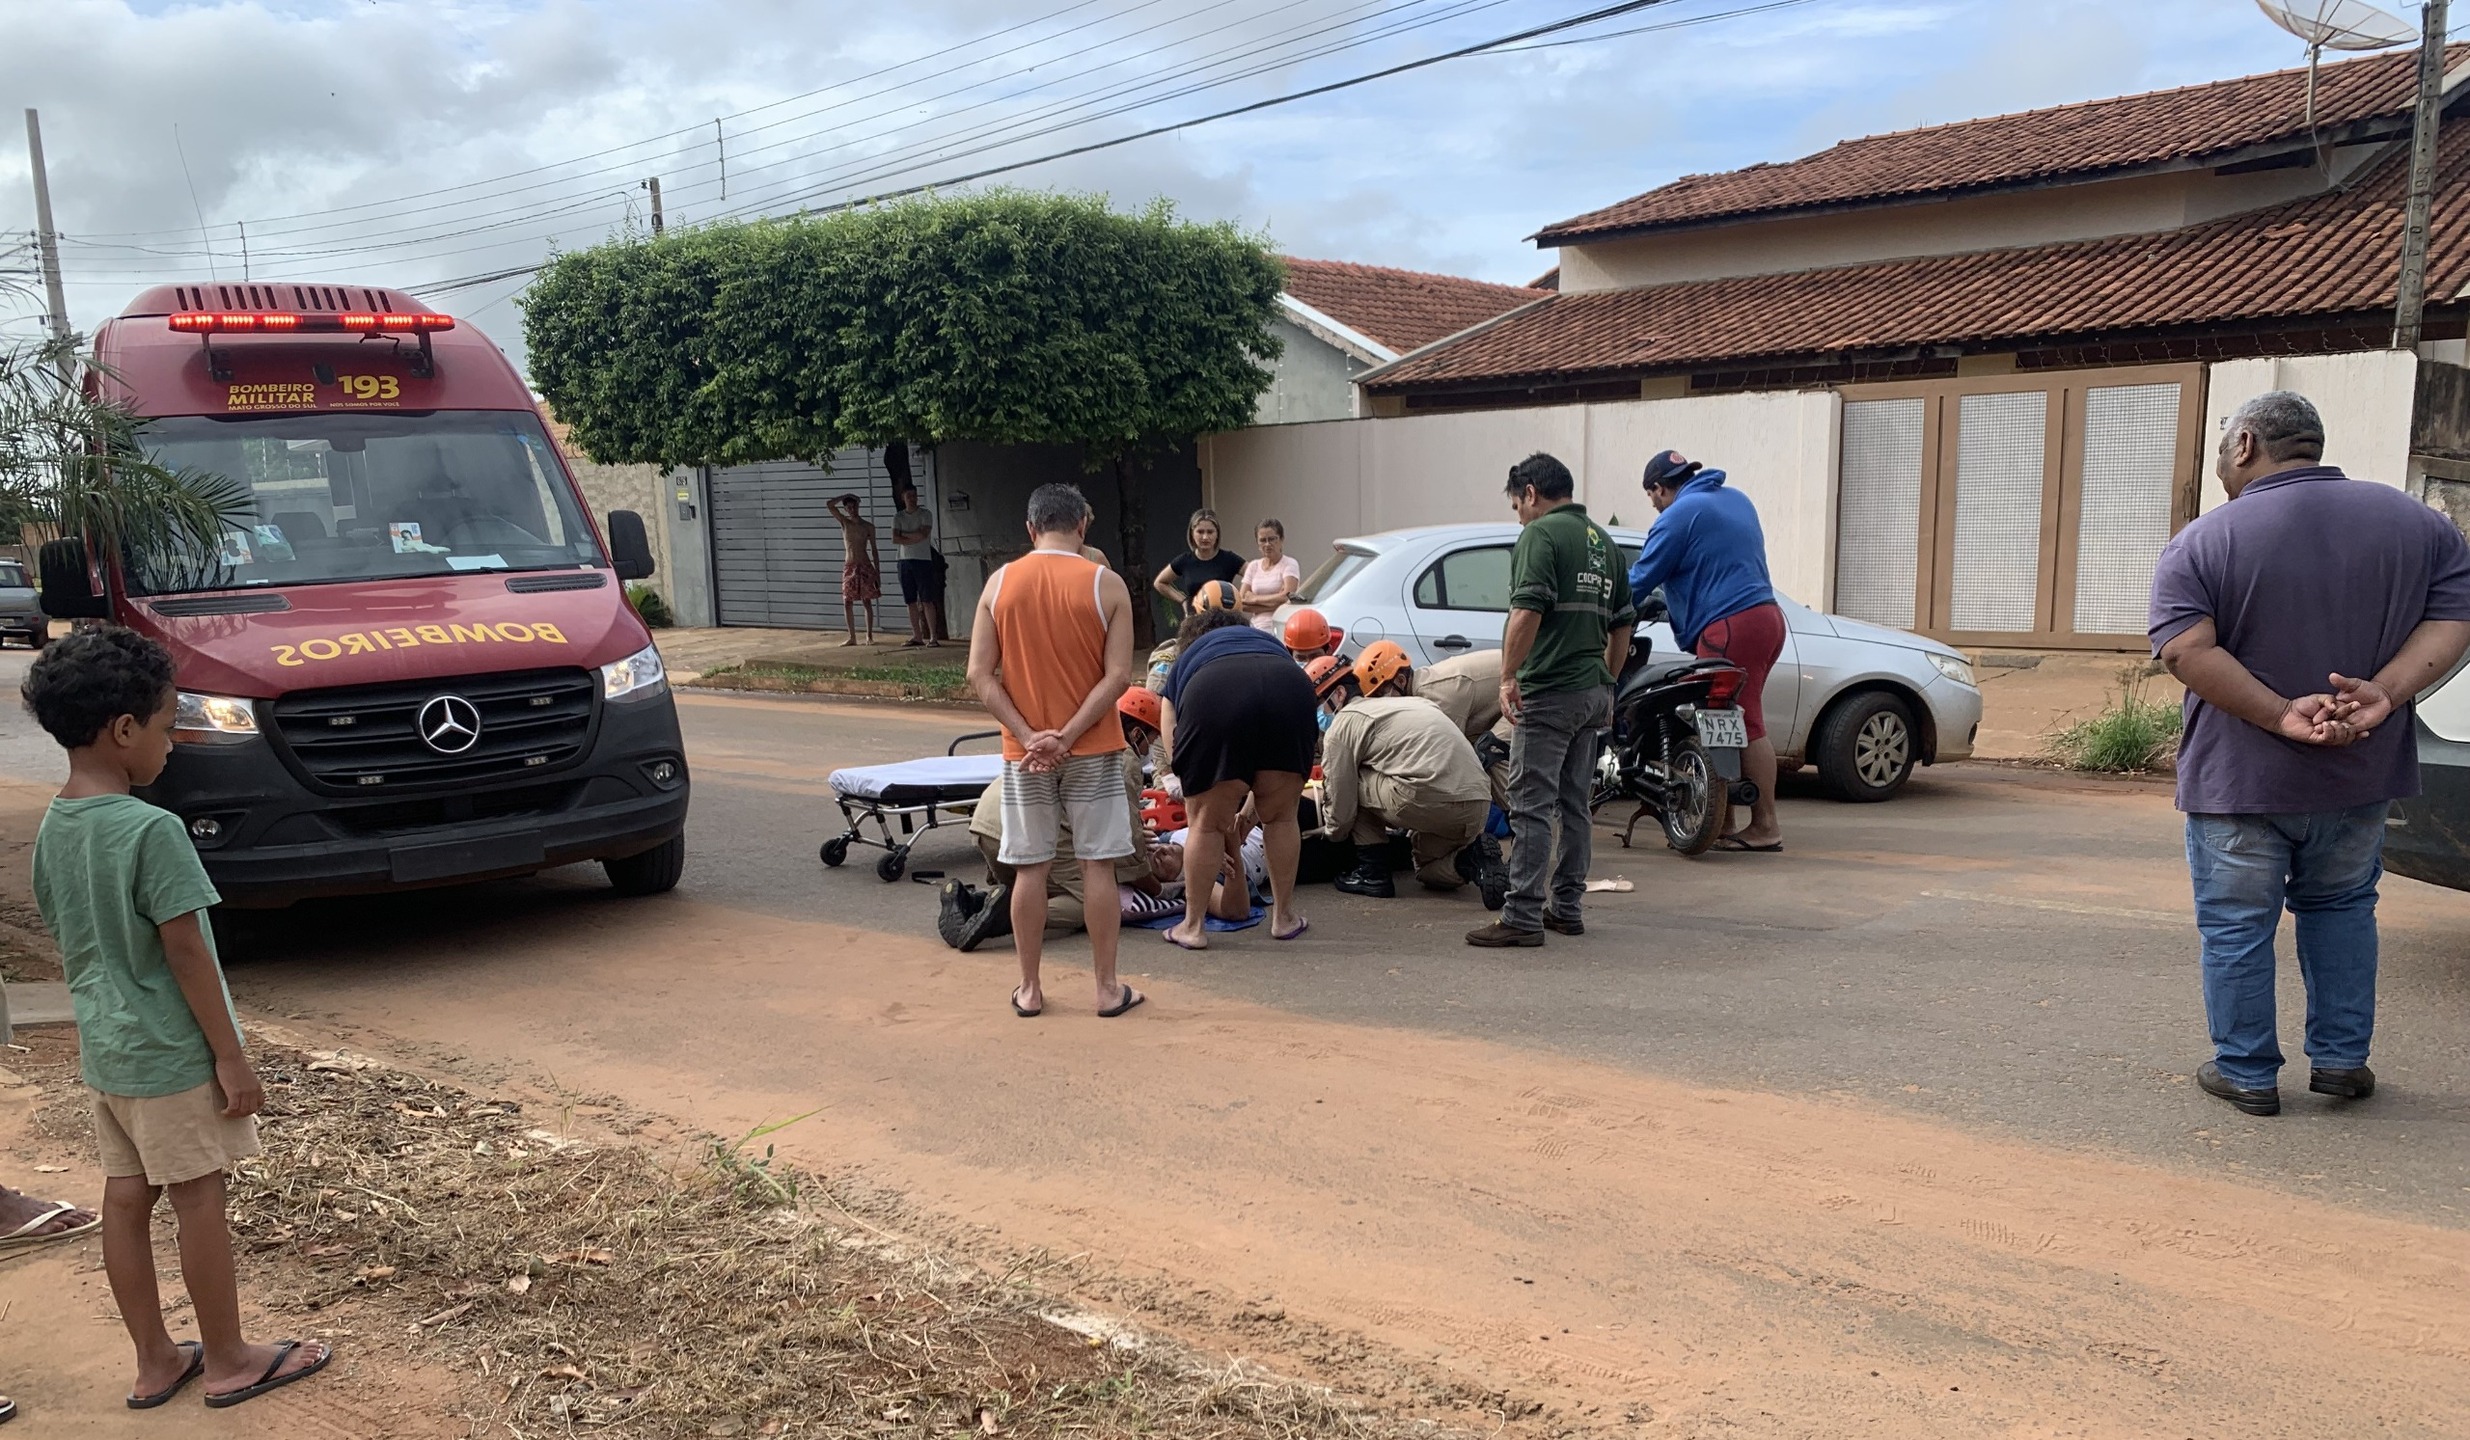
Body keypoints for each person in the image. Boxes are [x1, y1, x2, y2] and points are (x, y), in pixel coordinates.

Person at [20, 625, 333, 1409]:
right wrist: (231, 1057)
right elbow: (188, 953)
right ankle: (228, 1358)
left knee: (124, 1197)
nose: (172, 744)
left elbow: (69, 934)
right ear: (124, 731)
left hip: (108, 1051)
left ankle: (156, 1358)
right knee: (200, 1198)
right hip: (169, 1051)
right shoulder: (151, 830)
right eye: (166, 727)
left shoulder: (55, 827)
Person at [2150, 390, 2470, 1117]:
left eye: (2222, 446)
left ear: (2244, 447)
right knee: (2344, 910)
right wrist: (2384, 695)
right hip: (2358, 774)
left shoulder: (2204, 540)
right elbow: (2455, 618)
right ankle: (2341, 1063)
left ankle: (2247, 1072)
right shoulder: (2419, 525)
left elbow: (2185, 651)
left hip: (2240, 781)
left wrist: (2276, 713)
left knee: (2237, 926)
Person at [965, 483, 1142, 1018]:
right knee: (1097, 867)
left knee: (1030, 869)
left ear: (1030, 528)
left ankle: (1029, 988)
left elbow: (979, 674)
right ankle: (1107, 989)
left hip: (1025, 755)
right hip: (1093, 749)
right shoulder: (1106, 585)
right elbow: (1118, 678)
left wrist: (1029, 733)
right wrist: (1066, 735)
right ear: (1082, 526)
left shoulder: (999, 585)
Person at [1470, 453, 1634, 948]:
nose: (1518, 514)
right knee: (1575, 805)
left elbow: (1526, 611)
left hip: (1549, 691)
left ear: (1532, 494)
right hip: (1591, 692)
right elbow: (1623, 622)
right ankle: (1566, 907)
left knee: (1530, 805)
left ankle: (1521, 915)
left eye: (1517, 504)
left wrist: (1507, 676)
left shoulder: (1539, 536)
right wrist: (1608, 678)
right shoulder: (1603, 542)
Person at [1628, 450, 1785, 851]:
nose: (1654, 505)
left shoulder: (1677, 516)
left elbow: (1640, 579)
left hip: (1728, 627)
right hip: (1767, 618)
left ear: (1661, 488)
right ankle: (1725, 820)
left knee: (1741, 725)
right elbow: (1719, 562)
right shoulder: (1736, 499)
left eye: (1653, 497)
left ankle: (1765, 826)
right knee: (1736, 719)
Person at [945, 688, 1157, 953]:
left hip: (987, 824)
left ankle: (976, 902)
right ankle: (1000, 916)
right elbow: (1126, 837)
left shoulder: (1060, 728)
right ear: (1137, 734)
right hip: (1024, 826)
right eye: (1152, 739)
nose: (1151, 749)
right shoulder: (1121, 755)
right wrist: (1157, 887)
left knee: (1041, 883)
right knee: (1093, 901)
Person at [1158, 606, 1320, 947]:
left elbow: (1169, 723)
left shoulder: (1189, 659)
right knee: (1280, 818)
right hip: (1289, 685)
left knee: (1205, 824)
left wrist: (1193, 782)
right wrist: (1249, 812)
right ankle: (1284, 917)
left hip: (1214, 689)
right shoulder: (1263, 640)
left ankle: (1192, 926)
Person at [1320, 682, 1506, 909]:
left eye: (1319, 703)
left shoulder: (1342, 725)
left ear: (1339, 693)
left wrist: (1332, 836)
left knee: (1349, 779)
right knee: (1427, 870)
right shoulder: (1414, 703)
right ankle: (1472, 861)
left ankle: (1372, 873)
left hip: (1427, 798)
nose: (1318, 712)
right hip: (1477, 801)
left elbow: (1341, 808)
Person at [1355, 641, 1512, 812]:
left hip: (1527, 692)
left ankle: (1525, 826)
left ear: (1400, 681)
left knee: (1489, 752)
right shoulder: (1421, 695)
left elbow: (1448, 761)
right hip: (1502, 699)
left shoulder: (1437, 696)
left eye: (1380, 696)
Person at [1152, 508, 1245, 614]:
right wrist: (1183, 600)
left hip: (1224, 619)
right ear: (1192, 533)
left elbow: (1254, 573)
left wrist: (1239, 598)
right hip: (1195, 618)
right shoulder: (1184, 560)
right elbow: (1159, 583)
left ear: (1217, 534)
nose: (1205, 537)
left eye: (1210, 532)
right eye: (1200, 532)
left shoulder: (1229, 559)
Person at [891, 481, 943, 649]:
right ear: (903, 498)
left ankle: (933, 637)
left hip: (923, 560)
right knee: (910, 600)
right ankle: (917, 635)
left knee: (927, 599)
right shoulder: (898, 517)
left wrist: (905, 535)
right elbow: (895, 538)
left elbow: (923, 535)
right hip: (904, 561)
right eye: (909, 496)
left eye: (914, 495)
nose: (912, 499)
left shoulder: (925, 514)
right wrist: (913, 535)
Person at [825, 494, 882, 647]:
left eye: (854, 506)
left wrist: (877, 572)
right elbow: (829, 504)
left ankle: (869, 635)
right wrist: (846, 496)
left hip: (864, 565)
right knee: (847, 601)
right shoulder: (845, 522)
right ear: (846, 509)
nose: (852, 510)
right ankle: (852, 636)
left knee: (866, 601)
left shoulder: (867, 526)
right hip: (849, 565)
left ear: (858, 506)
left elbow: (874, 550)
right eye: (849, 508)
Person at [1235, 519, 1300, 631]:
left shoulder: (1289, 564)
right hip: (1256, 627)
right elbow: (1242, 602)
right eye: (1262, 540)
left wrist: (1255, 599)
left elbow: (1288, 597)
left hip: (1281, 627)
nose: (1267, 544)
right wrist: (1276, 601)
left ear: (1281, 539)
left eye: (1272, 539)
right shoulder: (1253, 566)